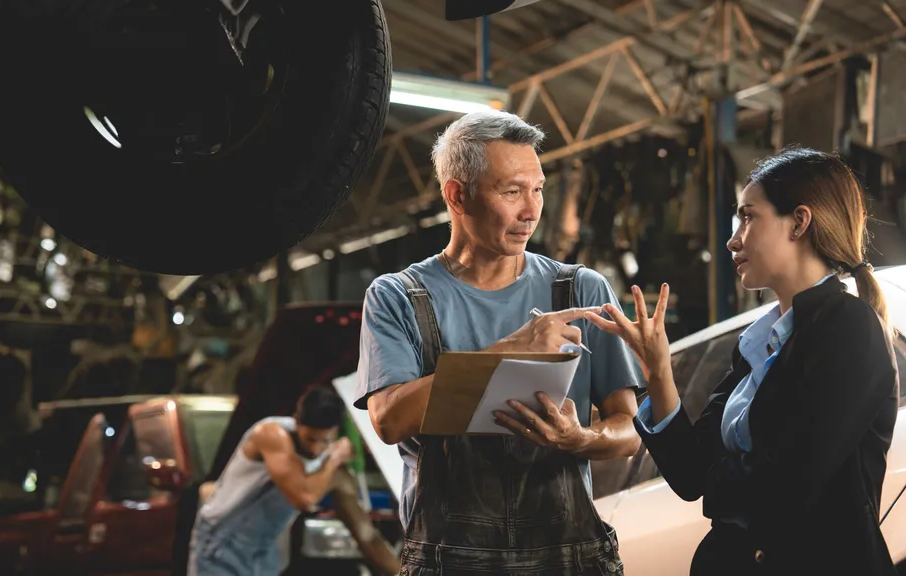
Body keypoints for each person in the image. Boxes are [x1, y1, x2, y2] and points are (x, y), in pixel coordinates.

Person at [355, 109, 645, 574]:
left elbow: (629, 430)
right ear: (457, 195)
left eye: (538, 189)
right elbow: (389, 420)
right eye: (511, 192)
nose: (531, 211)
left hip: (570, 558)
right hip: (449, 561)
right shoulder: (398, 298)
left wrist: (580, 438)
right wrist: (512, 349)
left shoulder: (580, 291)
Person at [586, 147, 899, 575]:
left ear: (800, 222)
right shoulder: (759, 344)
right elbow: (691, 475)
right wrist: (658, 371)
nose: (733, 239)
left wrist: (724, 481)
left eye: (748, 217)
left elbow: (787, 486)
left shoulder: (848, 329)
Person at [189, 386, 397, 575]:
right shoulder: (272, 435)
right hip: (222, 543)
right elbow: (304, 498)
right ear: (296, 421)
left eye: (325, 441)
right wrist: (334, 458)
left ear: (336, 433)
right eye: (310, 439)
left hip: (265, 549)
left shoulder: (335, 474)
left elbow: (367, 536)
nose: (316, 449)